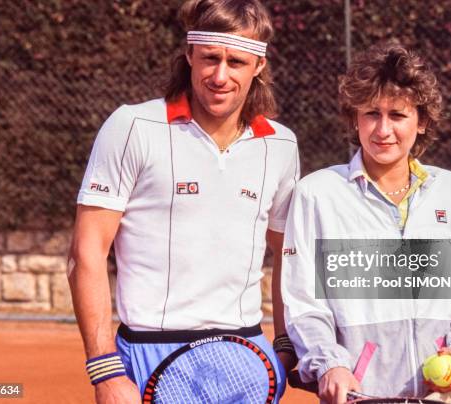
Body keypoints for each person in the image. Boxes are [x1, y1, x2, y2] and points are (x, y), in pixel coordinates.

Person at [67, 1, 299, 402]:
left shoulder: (281, 144)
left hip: (246, 358)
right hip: (147, 357)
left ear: (259, 66)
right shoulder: (132, 127)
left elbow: (288, 255)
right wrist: (104, 369)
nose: (220, 76)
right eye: (210, 58)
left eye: (236, 62)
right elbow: (86, 253)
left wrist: (281, 346)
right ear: (189, 54)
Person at [281, 40, 451, 403]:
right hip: (361, 396)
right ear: (355, 118)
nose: (383, 129)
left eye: (397, 115)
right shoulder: (316, 194)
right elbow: (305, 302)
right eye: (371, 113)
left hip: (443, 397)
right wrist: (329, 364)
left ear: (422, 122)